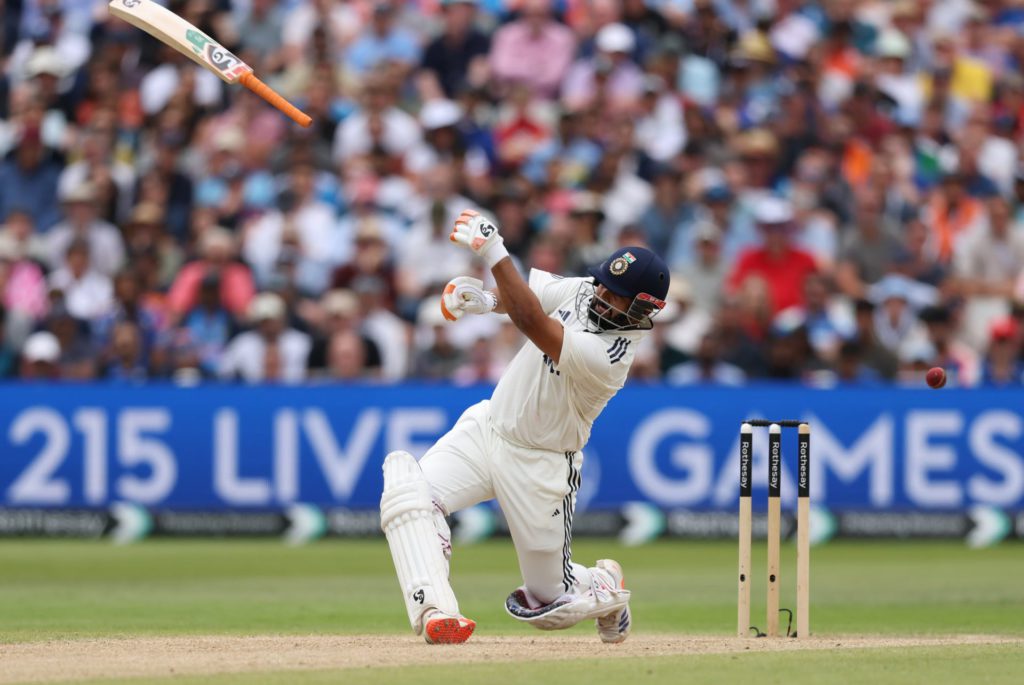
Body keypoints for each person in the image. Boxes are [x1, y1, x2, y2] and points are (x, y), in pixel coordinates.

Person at [380, 209, 669, 644]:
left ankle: (602, 584)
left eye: (617, 297)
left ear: (644, 308)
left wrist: (494, 249)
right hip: (487, 428)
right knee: (409, 493)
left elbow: (533, 321)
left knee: (547, 603)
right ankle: (437, 611)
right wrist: (488, 302)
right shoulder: (586, 291)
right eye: (604, 286)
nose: (602, 298)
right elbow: (527, 299)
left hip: (541, 464)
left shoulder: (612, 357)